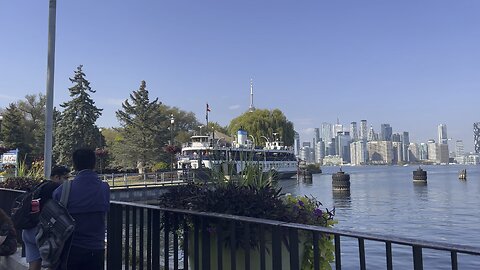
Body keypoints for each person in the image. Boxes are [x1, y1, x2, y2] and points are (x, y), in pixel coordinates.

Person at [53, 148, 110, 270]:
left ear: (75, 164)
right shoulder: (104, 188)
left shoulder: (63, 190)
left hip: (70, 248)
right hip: (96, 248)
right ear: (94, 163)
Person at [22, 165, 70, 270]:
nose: (68, 181)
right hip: (43, 234)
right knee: (53, 265)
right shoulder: (56, 189)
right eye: (66, 178)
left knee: (33, 266)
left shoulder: (39, 186)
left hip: (28, 230)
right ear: (57, 177)